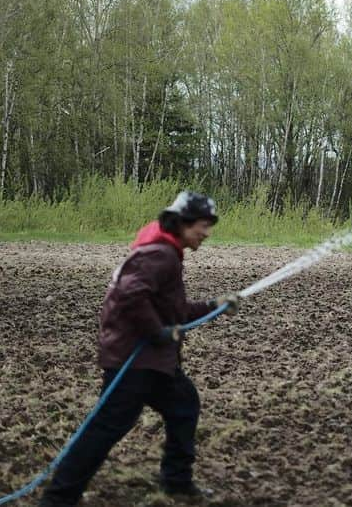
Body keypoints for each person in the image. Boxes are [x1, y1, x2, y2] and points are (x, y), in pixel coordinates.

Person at [39, 191, 239, 506]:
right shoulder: (160, 255)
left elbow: (173, 311)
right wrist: (158, 332)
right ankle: (57, 500)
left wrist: (214, 305)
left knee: (184, 404)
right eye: (203, 225)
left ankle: (176, 481)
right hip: (135, 362)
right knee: (105, 429)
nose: (207, 232)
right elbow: (130, 296)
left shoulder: (164, 253)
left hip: (153, 362)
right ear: (183, 223)